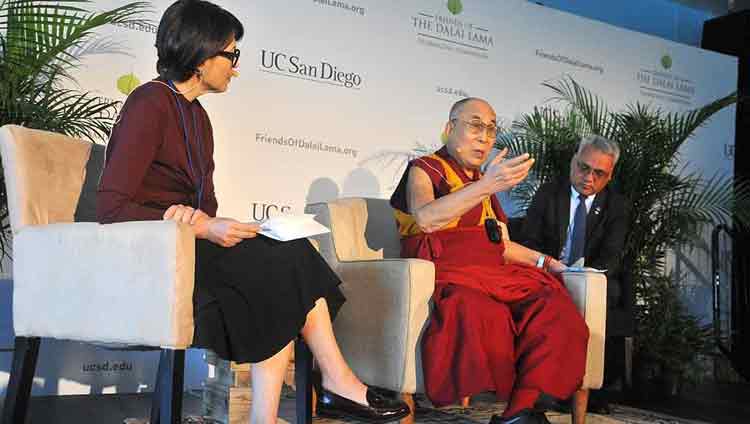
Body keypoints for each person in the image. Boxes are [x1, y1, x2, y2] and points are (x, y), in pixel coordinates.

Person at [95, 1, 409, 423]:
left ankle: (295, 402)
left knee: (286, 254)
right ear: (200, 53)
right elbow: (112, 207)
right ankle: (333, 383)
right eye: (231, 54)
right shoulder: (148, 103)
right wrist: (202, 226)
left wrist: (226, 227)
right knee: (281, 267)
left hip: (189, 251)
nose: (236, 67)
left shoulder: (198, 118)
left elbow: (205, 210)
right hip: (152, 258)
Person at [389, 97, 589, 424]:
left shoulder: (482, 183)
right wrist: (487, 185)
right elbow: (426, 218)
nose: (485, 137)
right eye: (476, 126)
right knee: (484, 312)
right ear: (449, 128)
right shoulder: (424, 169)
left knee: (552, 302)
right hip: (450, 272)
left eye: (492, 129)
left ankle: (520, 410)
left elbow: (503, 245)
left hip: (493, 272)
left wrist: (549, 263)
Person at [520, 135, 630, 415]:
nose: (588, 177)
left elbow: (611, 255)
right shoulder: (548, 193)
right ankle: (541, 385)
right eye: (583, 167)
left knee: (608, 293)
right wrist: (551, 266)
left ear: (609, 175)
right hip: (547, 272)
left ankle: (590, 388)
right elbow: (529, 241)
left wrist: (583, 276)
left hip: (589, 278)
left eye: (598, 173)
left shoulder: (616, 206)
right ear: (573, 162)